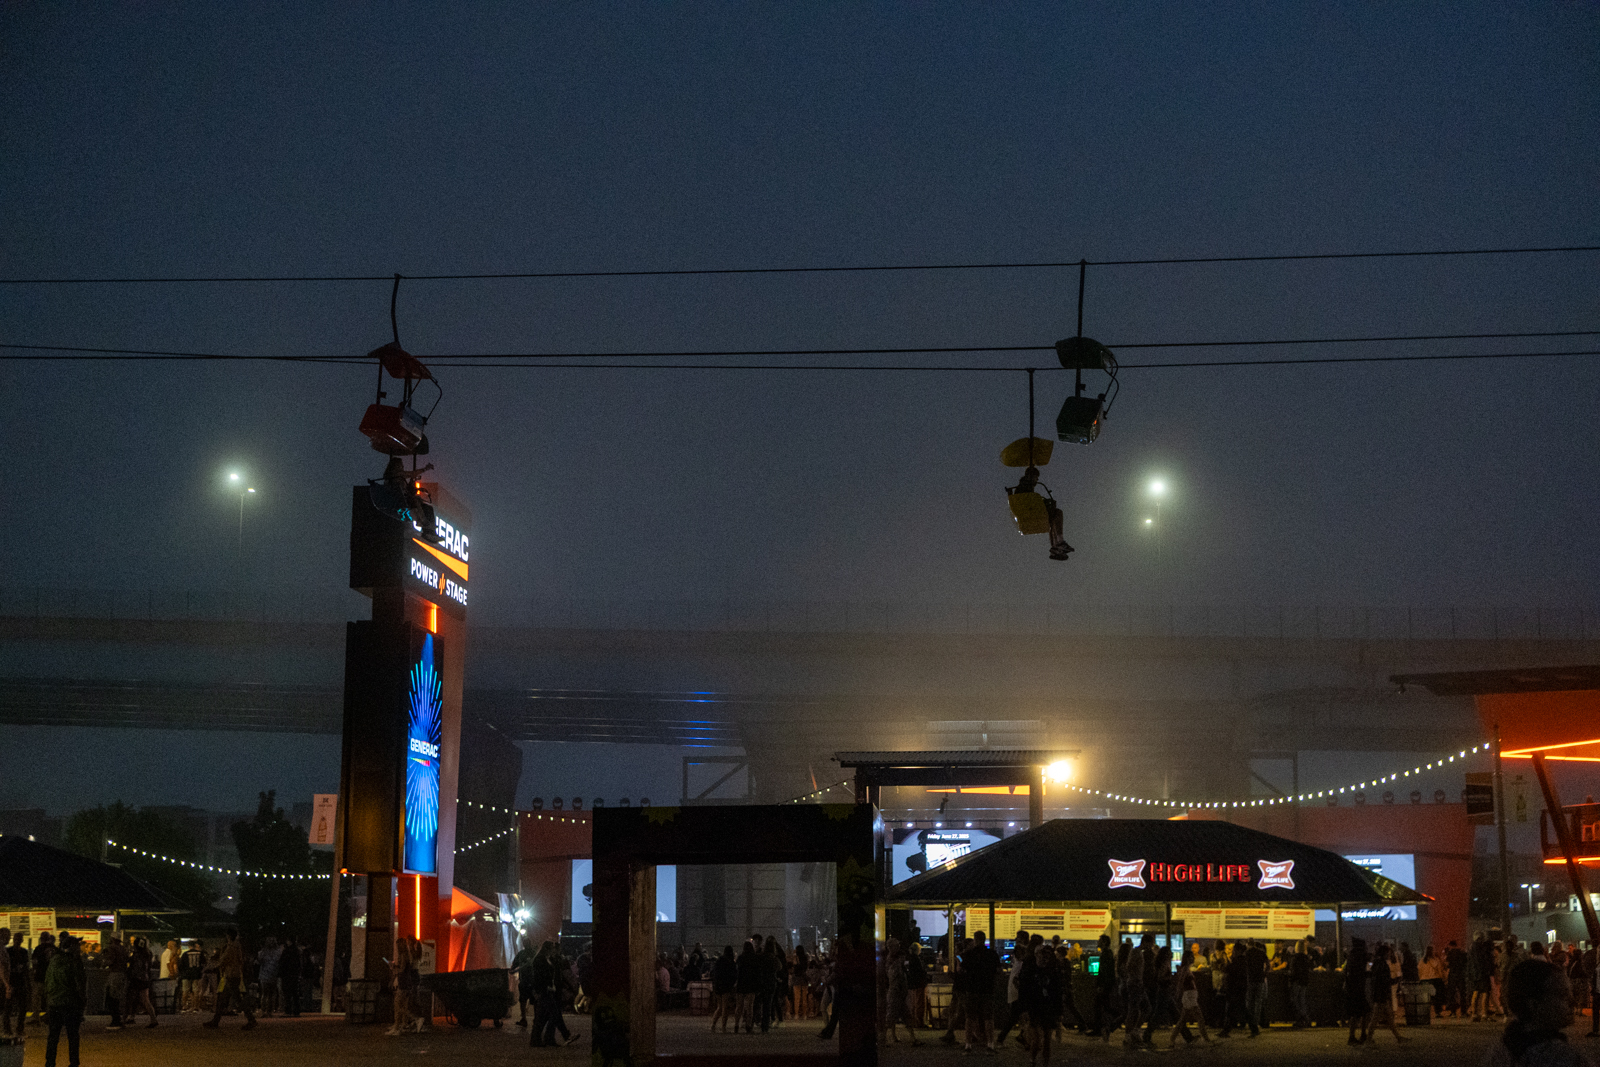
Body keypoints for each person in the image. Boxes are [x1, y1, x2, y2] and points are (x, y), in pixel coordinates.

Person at [1486, 958, 1587, 1066]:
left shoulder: (1502, 1049)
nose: (1572, 1002)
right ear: (1534, 1004)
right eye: (1562, 995)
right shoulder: (1559, 1057)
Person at [43, 933, 86, 1067]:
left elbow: (47, 982)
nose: (79, 948)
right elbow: (79, 984)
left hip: (54, 1003)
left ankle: (50, 1063)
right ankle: (73, 1062)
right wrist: (83, 1001)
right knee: (73, 1035)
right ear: (71, 947)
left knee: (53, 1036)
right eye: (77, 945)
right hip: (70, 1003)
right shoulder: (74, 962)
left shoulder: (53, 961)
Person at [203, 927, 256, 1029]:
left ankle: (251, 1019)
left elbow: (223, 960)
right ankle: (216, 1020)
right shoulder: (237, 947)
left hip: (231, 975)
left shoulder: (231, 947)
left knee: (234, 999)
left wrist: (211, 968)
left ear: (228, 936)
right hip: (235, 975)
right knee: (225, 999)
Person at [1018, 941, 1060, 1067]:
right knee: (1037, 1038)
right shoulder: (1031, 971)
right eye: (1043, 955)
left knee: (1046, 1039)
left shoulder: (1050, 972)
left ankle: (1039, 1061)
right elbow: (1024, 992)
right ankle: (1034, 1059)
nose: (1045, 958)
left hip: (1046, 1007)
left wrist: (1058, 1010)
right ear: (1037, 955)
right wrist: (1024, 1009)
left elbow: (1056, 992)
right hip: (1035, 1007)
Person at [962, 930, 1001, 1052]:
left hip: (972, 989)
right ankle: (990, 1043)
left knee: (970, 1017)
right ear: (984, 940)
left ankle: (968, 1044)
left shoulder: (969, 954)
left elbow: (962, 969)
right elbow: (998, 970)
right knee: (988, 1017)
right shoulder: (992, 954)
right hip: (988, 989)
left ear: (975, 940)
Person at [1169, 947, 1212, 1047]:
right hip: (1189, 997)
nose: (1193, 958)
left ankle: (1172, 1039)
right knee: (1200, 1019)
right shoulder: (1185, 969)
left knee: (1182, 1021)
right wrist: (1178, 992)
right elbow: (1181, 982)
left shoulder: (1186, 969)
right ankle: (1206, 1039)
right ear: (1188, 958)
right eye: (1191, 957)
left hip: (1189, 996)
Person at [1365, 943, 1408, 1044]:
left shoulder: (1377, 964)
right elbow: (1385, 981)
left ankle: (1398, 1037)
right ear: (1384, 953)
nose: (1389, 954)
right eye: (1388, 953)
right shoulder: (1382, 965)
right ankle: (1368, 1039)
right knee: (1376, 1018)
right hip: (1382, 996)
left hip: (1379, 995)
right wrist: (1396, 980)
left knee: (1387, 1018)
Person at [1345, 938, 1371, 1045]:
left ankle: (1353, 1036)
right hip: (1359, 988)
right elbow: (1368, 970)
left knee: (1355, 1013)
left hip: (1351, 988)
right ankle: (1361, 1034)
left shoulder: (1351, 957)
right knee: (1364, 1012)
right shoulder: (1362, 956)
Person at [387, 937, 415, 1036]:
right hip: (407, 982)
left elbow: (402, 970)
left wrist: (394, 969)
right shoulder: (407, 955)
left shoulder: (403, 955)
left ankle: (397, 1026)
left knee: (397, 1004)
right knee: (403, 1004)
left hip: (403, 982)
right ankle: (403, 1024)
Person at [129, 936, 157, 1028]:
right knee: (142, 999)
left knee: (139, 999)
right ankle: (132, 1017)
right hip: (145, 978)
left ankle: (153, 1019)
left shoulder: (137, 955)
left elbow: (135, 967)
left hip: (137, 979)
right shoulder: (147, 954)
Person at [511, 935, 538, 1026]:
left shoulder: (527, 954)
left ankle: (527, 1019)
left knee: (527, 1000)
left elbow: (515, 964)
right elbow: (515, 964)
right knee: (527, 1000)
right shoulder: (531, 954)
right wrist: (513, 969)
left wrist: (513, 969)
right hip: (528, 981)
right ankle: (529, 1019)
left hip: (529, 981)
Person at [102, 932, 127, 1030]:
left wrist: (103, 963)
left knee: (111, 997)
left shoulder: (112, 948)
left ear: (112, 939)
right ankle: (118, 1019)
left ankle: (116, 1020)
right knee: (117, 997)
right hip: (122, 974)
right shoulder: (123, 948)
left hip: (115, 973)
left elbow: (110, 961)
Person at [710, 946, 737, 1032]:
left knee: (720, 1007)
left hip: (718, 986)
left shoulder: (719, 961)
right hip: (726, 986)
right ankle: (723, 1026)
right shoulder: (731, 962)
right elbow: (734, 975)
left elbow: (714, 973)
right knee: (725, 1007)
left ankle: (713, 1024)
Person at [1245, 939, 1269, 1035]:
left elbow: (1245, 966)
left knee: (1249, 1002)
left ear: (1247, 944)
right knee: (1258, 1002)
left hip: (1250, 980)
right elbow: (1268, 965)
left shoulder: (1247, 953)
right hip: (1260, 980)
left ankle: (1250, 1023)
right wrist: (1264, 974)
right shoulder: (1261, 953)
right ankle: (1256, 1022)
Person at [6, 931, 28, 1035]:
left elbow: (26, 967)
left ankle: (16, 1028)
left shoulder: (21, 952)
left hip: (18, 981)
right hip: (13, 981)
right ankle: (12, 1028)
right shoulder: (13, 951)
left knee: (20, 1007)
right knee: (9, 1007)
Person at [1288, 937, 1313, 1027]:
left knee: (1295, 1001)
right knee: (1302, 1000)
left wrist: (1291, 980)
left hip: (1296, 982)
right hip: (1304, 982)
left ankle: (1301, 1018)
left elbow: (1293, 971)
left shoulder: (1295, 958)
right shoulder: (1306, 958)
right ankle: (1306, 1019)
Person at [280, 936, 301, 1017]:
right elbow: (299, 963)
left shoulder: (286, 951)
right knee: (295, 993)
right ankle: (296, 1011)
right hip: (294, 974)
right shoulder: (297, 951)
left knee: (287, 994)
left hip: (287, 975)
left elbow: (282, 963)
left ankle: (288, 1010)